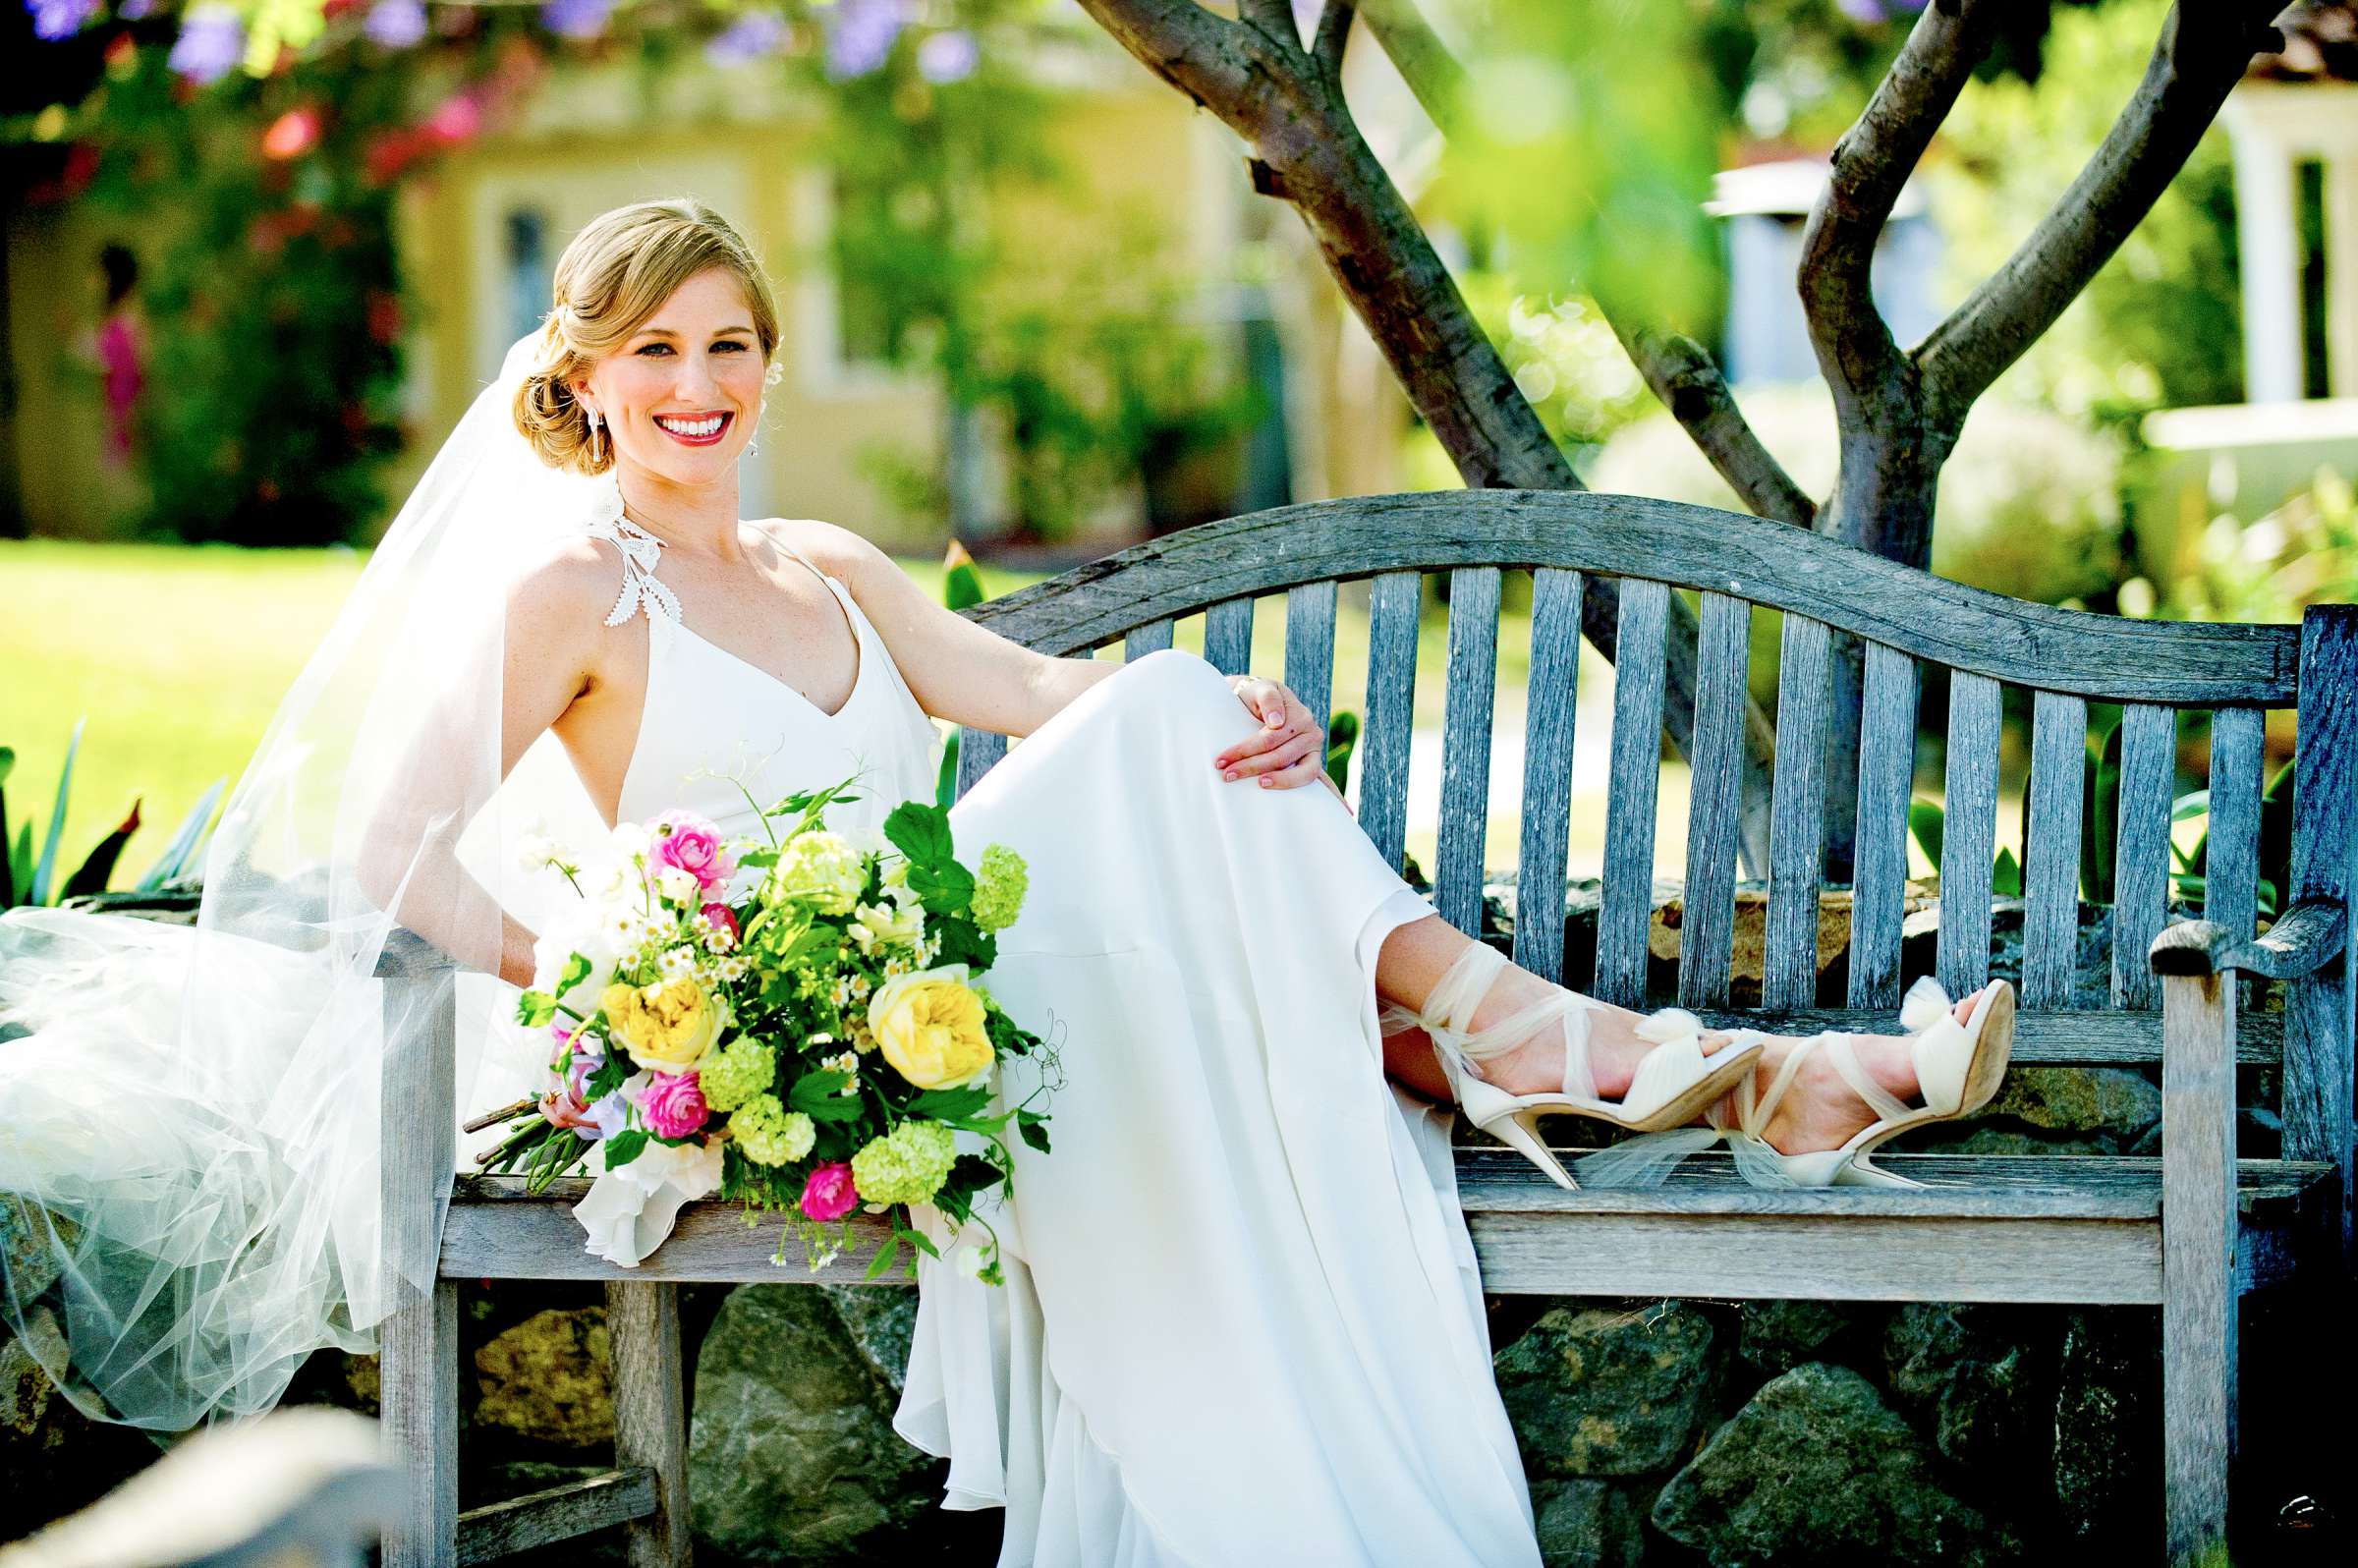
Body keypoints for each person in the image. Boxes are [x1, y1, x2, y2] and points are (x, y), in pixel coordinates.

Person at [0, 199, 2014, 1564]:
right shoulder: (569, 588)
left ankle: (1595, 1049)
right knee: (1150, 772)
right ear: (588, 379)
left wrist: (1244, 720)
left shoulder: (825, 568)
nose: (704, 382)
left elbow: (1046, 694)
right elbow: (389, 849)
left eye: (736, 343)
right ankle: (1619, 1052)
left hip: (952, 969)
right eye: (661, 350)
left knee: (1166, 732)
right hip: (815, 1016)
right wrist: (617, 979)